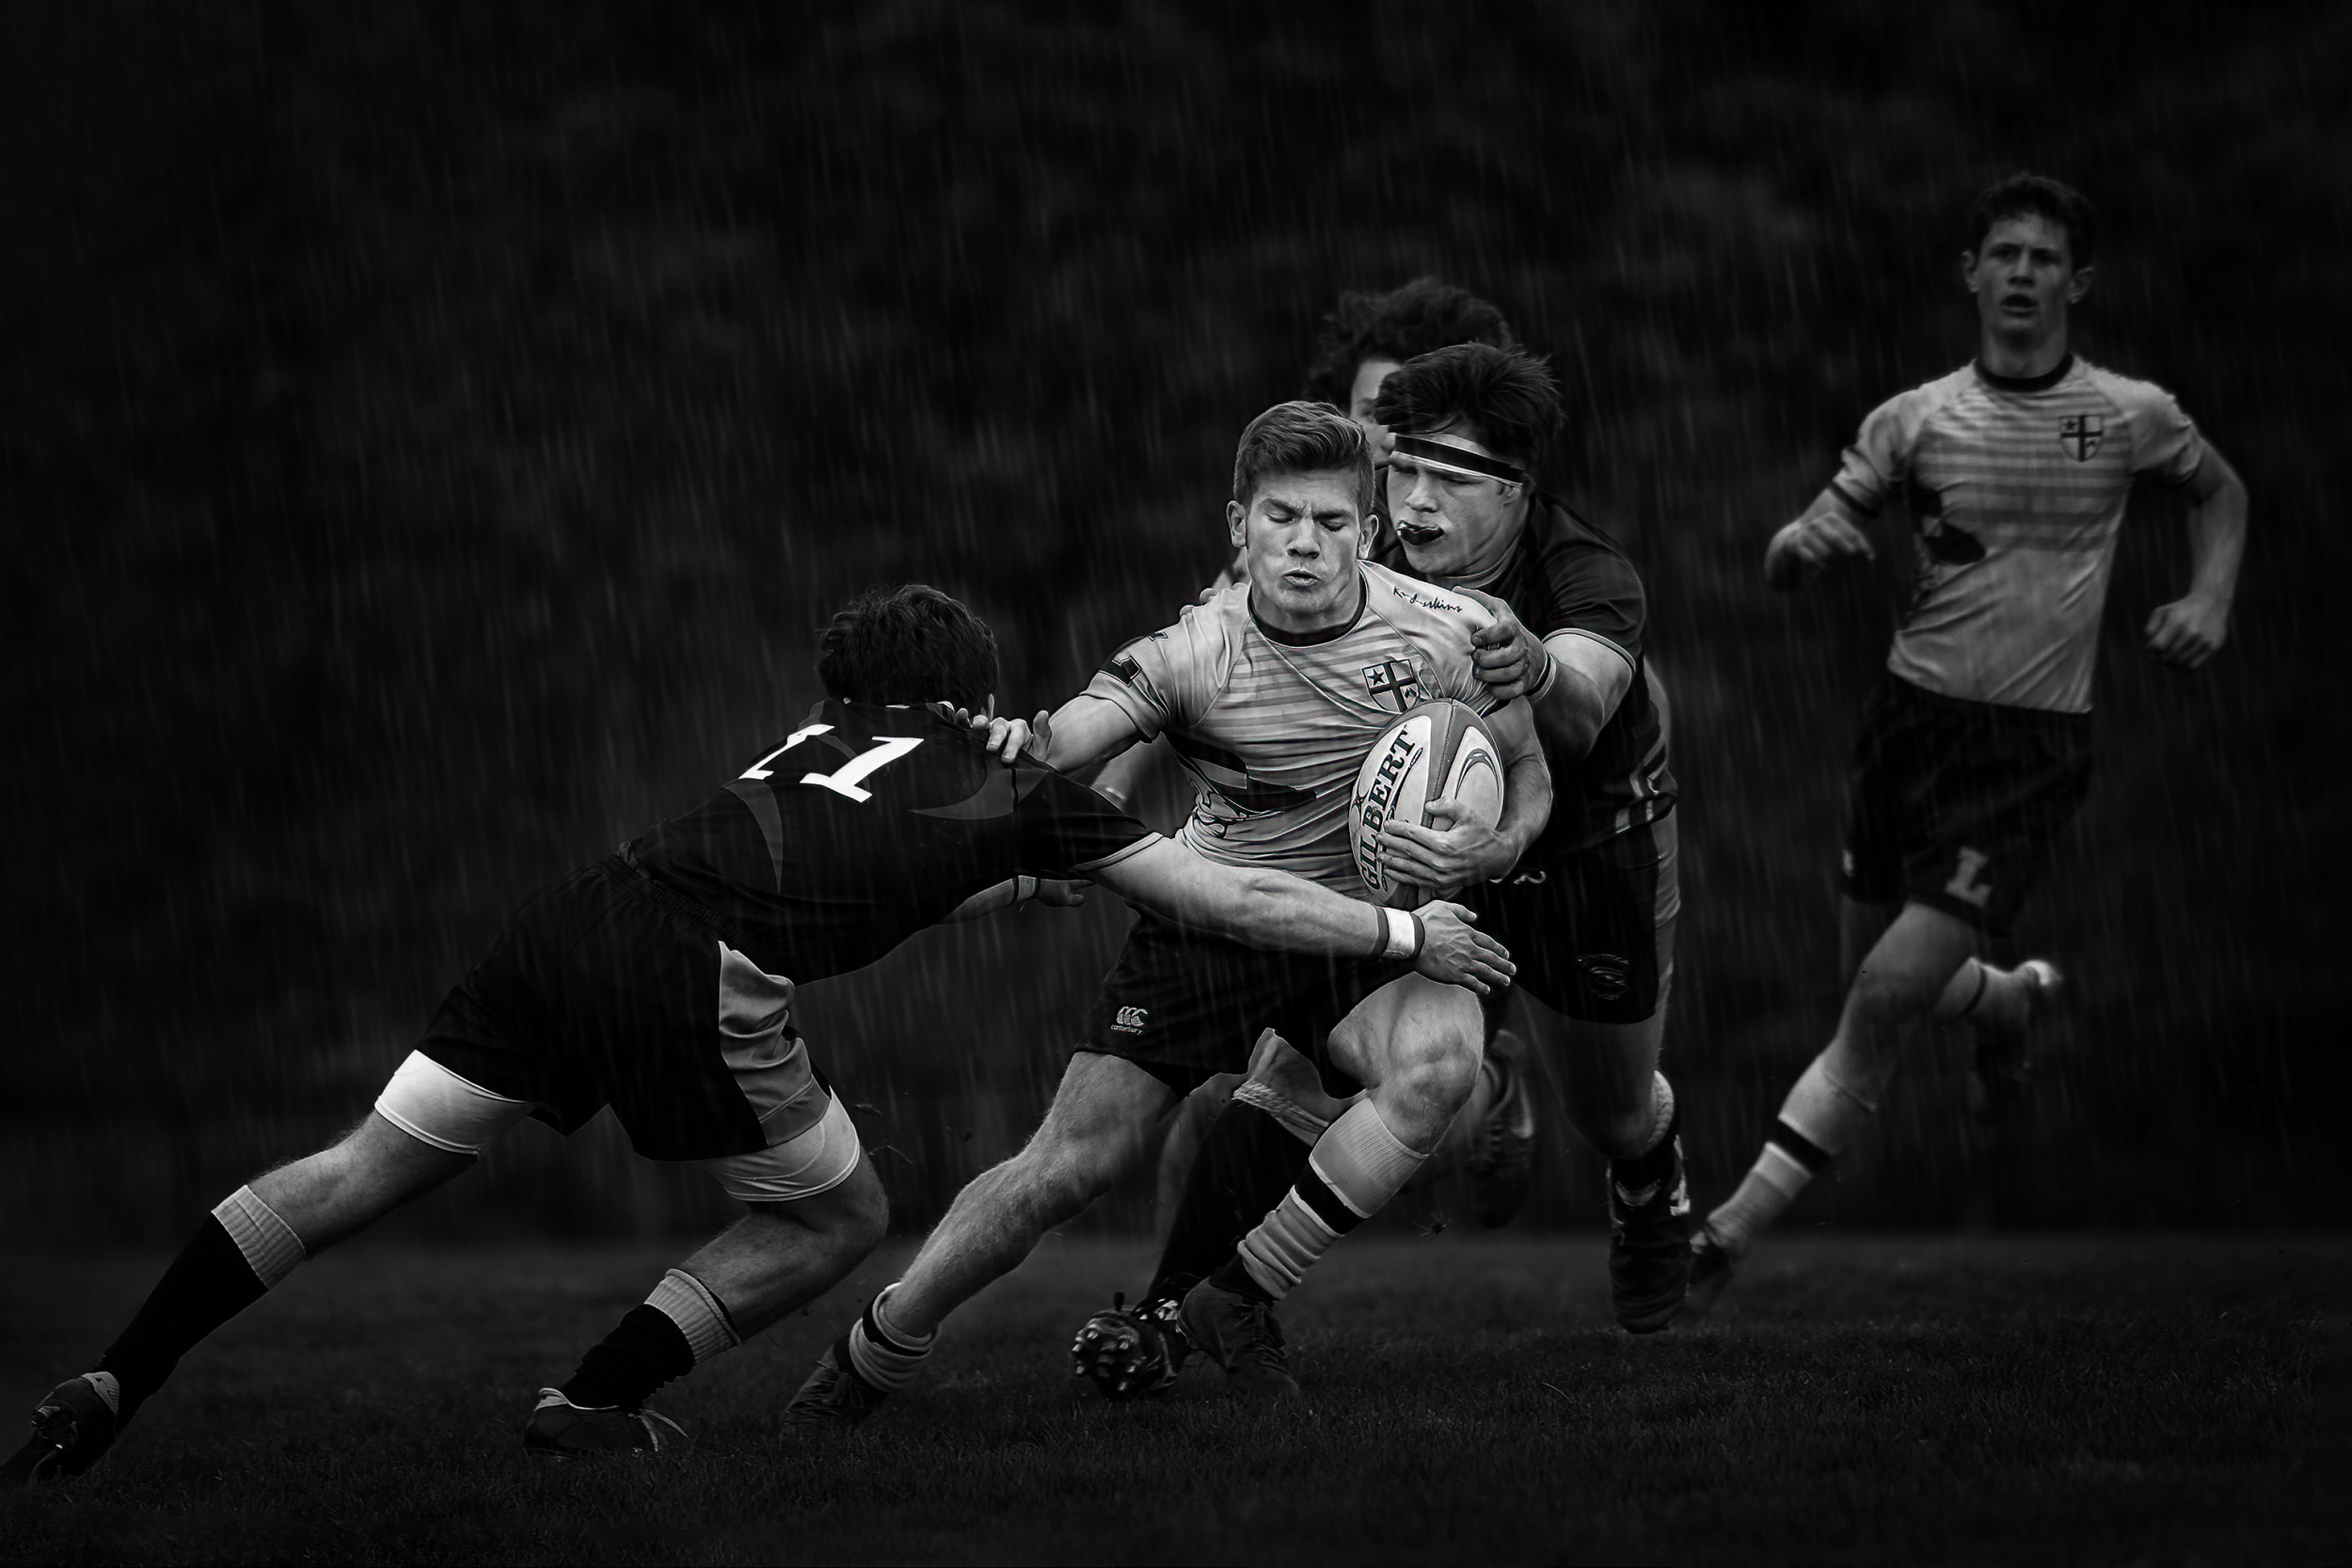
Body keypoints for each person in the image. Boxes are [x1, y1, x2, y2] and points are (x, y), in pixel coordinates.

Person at [1, 584, 1514, 1485]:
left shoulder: (818, 739)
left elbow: (896, 859)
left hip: (575, 914)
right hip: (692, 965)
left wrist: (1038, 869)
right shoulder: (1009, 776)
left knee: (356, 1168)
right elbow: (1227, 893)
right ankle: (593, 1401)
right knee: (838, 1212)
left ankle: (118, 1375)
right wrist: (1407, 936)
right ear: (979, 697)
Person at [781, 403, 1551, 1418]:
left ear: (1367, 531)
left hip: (1366, 931)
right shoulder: (1194, 649)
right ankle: (874, 1349)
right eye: (1281, 517)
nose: (1305, 543)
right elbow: (1070, 735)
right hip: (1210, 923)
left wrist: (1494, 845)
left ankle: (1234, 1295)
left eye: (1330, 521)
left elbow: (1529, 771)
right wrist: (1015, 743)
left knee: (1442, 1064)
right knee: (1066, 1167)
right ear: (1239, 524)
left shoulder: (1451, 630)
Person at [1071, 341, 1691, 1402]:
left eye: (1450, 478)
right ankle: (1185, 1309)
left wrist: (1535, 663)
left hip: (1586, 848)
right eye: (1403, 470)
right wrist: (1107, 785)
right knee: (1291, 1078)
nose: (1416, 501)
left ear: (1517, 489)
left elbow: (1583, 712)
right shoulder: (1344, 544)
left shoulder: (1582, 571)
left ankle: (1641, 1169)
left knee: (1616, 1111)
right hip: (1406, 847)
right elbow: (1186, 670)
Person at [1681, 173, 2249, 1317]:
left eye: (2045, 257)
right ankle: (2001, 1002)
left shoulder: (2129, 413)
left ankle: (1719, 1236)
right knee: (1872, 976)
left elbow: (2221, 491)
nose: (2023, 273)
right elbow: (1790, 555)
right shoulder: (1915, 420)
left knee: (1882, 997)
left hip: (2026, 751)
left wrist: (2210, 599)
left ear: (2077, 282)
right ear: (1971, 274)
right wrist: (1800, 546)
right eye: (2005, 253)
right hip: (1906, 727)